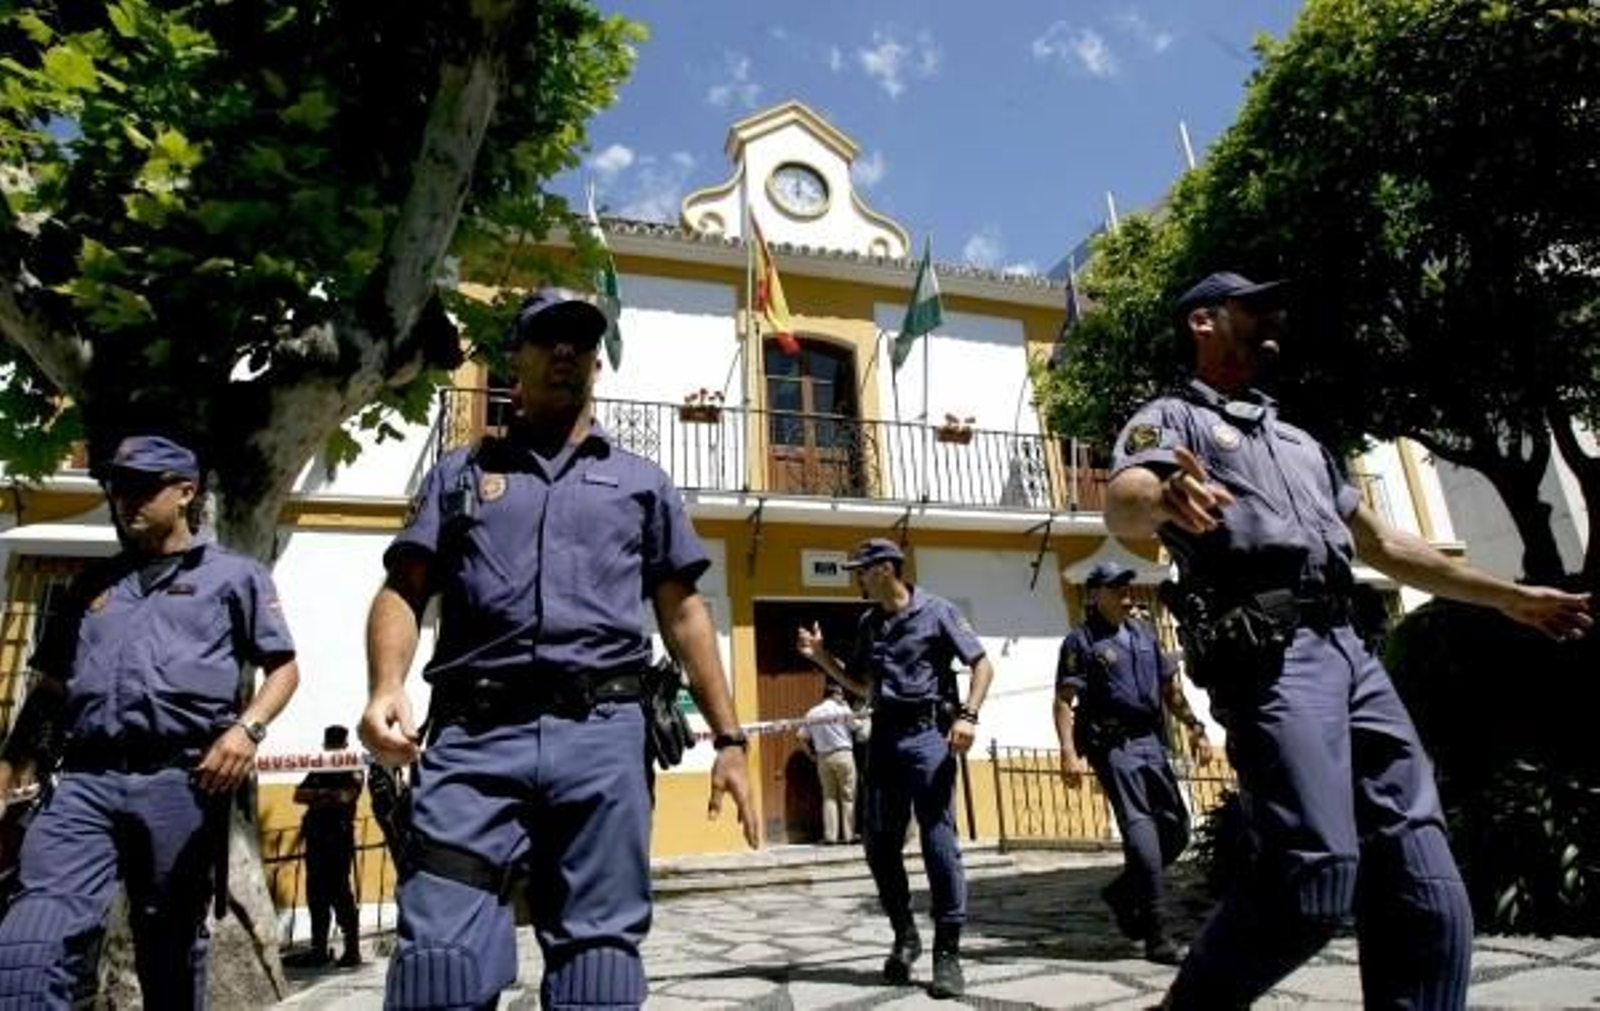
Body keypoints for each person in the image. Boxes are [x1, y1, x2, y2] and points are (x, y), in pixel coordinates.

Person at [1105, 271, 1593, 1008]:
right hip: (1273, 655)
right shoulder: (1173, 418)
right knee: (1313, 873)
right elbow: (1125, 500)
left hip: (1352, 651)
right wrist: (1167, 493)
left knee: (1428, 885)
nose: (1274, 316)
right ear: (1203, 322)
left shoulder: (1302, 441)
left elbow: (1385, 544)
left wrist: (1509, 597)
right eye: (1252, 306)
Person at [360, 287, 758, 1011]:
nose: (566, 351)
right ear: (515, 358)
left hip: (602, 740)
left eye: (582, 339)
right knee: (437, 970)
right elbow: (404, 589)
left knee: (598, 972)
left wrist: (729, 740)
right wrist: (386, 685)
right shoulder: (458, 474)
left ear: (598, 363)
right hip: (474, 740)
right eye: (548, 337)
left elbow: (685, 614)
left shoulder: (642, 483)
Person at [0, 435, 300, 1008]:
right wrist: (9, 773)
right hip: (84, 783)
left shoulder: (235, 577)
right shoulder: (91, 585)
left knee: (169, 949)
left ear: (186, 492)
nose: (125, 499)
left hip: (180, 784)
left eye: (142, 487)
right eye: (118, 487)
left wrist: (248, 730)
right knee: (30, 940)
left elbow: (284, 670)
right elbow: (49, 692)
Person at [796, 537, 995, 1000]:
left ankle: (947, 952)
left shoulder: (938, 611)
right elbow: (861, 687)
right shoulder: (870, 623)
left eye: (862, 572)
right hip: (884, 737)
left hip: (929, 736)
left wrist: (968, 715)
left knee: (938, 841)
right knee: (879, 845)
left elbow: (982, 665)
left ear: (885, 569)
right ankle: (905, 935)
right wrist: (822, 658)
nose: (857, 581)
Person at [1053, 560, 1210, 965]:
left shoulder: (1144, 633)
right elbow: (1064, 701)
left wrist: (1195, 726)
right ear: (1094, 595)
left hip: (1151, 741)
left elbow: (1169, 690)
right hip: (1113, 746)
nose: (1126, 595)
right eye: (1116, 588)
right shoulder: (1080, 642)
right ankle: (1158, 933)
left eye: (1127, 587)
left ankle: (1123, 893)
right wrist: (1068, 751)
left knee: (1176, 831)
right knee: (1142, 836)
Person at [291, 724, 364, 968]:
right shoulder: (320, 768)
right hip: (316, 838)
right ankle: (319, 950)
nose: (332, 750)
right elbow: (298, 795)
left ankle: (352, 950)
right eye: (329, 746)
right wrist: (326, 794)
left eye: (335, 746)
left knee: (340, 892)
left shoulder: (353, 767)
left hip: (338, 838)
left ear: (344, 746)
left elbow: (347, 796)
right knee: (316, 894)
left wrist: (319, 795)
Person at [798, 684, 858, 845]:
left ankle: (830, 836)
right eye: (841, 694)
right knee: (848, 796)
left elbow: (801, 737)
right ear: (835, 694)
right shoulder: (842, 710)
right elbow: (856, 727)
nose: (843, 698)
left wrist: (811, 755)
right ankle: (849, 835)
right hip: (843, 754)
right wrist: (848, 708)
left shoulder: (812, 712)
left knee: (829, 797)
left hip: (823, 757)